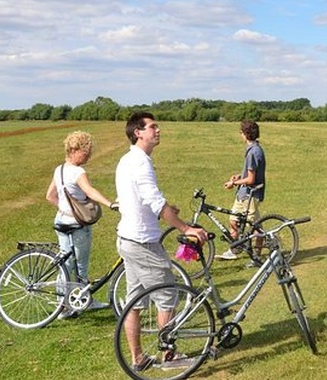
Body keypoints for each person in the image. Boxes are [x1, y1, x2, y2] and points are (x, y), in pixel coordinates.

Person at [115, 112, 208, 371]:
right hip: (143, 243)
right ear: (138, 133)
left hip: (127, 239)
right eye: (152, 127)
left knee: (135, 301)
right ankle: (170, 356)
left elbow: (137, 199)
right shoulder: (141, 163)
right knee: (168, 296)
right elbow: (154, 202)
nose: (158, 130)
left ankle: (137, 358)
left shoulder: (126, 160)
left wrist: (168, 210)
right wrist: (186, 227)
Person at [45, 130, 116, 313]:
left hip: (61, 221)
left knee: (65, 264)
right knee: (80, 265)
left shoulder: (59, 169)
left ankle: (62, 306)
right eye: (87, 151)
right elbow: (90, 191)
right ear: (76, 150)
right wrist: (109, 203)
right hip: (77, 225)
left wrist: (64, 209)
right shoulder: (78, 172)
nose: (89, 155)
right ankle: (86, 299)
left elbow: (50, 196)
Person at [216, 119, 266, 264]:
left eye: (241, 131)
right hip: (244, 194)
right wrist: (239, 176)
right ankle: (234, 249)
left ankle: (256, 257)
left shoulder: (253, 152)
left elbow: (251, 180)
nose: (240, 134)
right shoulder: (253, 149)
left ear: (246, 134)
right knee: (233, 219)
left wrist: (234, 182)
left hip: (250, 195)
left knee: (255, 227)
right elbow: (251, 174)